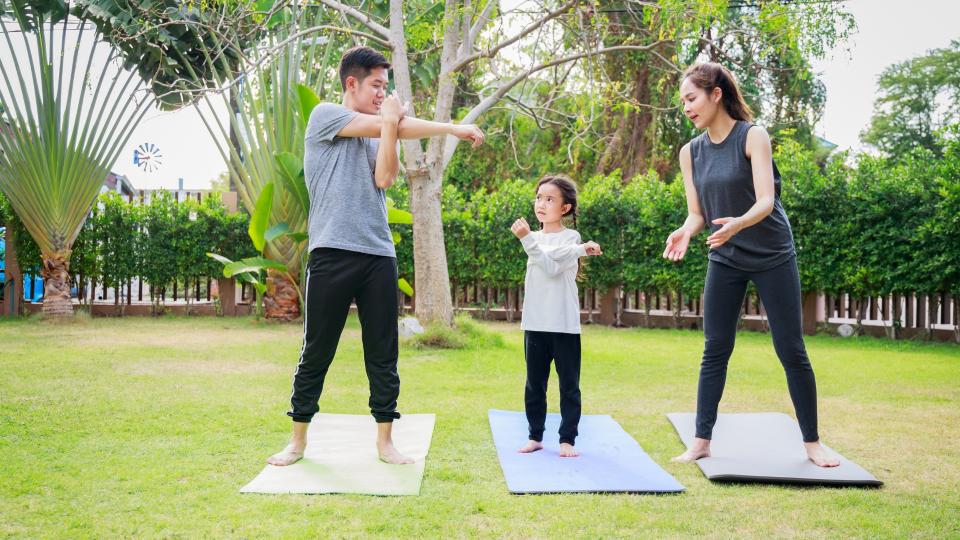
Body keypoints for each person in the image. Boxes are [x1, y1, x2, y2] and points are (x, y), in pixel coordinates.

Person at [268, 45, 485, 467]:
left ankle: (385, 441)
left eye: (386, 87)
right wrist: (449, 127)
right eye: (377, 86)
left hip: (377, 254)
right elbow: (391, 124)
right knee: (317, 349)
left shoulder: (377, 134)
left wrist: (394, 125)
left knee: (383, 352)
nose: (383, 94)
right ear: (352, 83)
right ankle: (297, 441)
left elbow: (385, 175)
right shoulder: (325, 116)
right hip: (332, 252)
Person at [663, 62, 839, 467]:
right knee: (715, 349)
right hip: (725, 255)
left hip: (772, 253)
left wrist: (738, 224)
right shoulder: (690, 152)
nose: (686, 108)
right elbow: (697, 213)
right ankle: (701, 440)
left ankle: (812, 443)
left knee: (791, 348)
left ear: (716, 94)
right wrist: (687, 231)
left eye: (691, 99)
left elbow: (766, 201)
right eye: (682, 102)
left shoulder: (753, 136)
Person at [510, 174, 601, 458]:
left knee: (569, 385)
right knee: (534, 383)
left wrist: (575, 248)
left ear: (565, 208)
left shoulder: (570, 238)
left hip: (564, 325)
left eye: (550, 199)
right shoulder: (535, 238)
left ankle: (567, 439)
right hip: (535, 323)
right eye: (539, 198)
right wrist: (530, 240)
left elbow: (551, 265)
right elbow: (546, 259)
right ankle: (535, 436)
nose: (542, 204)